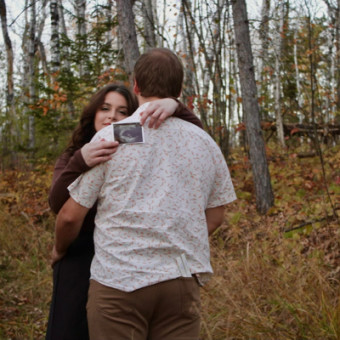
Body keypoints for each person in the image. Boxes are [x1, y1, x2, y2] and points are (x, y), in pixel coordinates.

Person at [53, 48, 236, 340]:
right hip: (180, 282)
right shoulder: (204, 142)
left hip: (120, 283)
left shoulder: (121, 134)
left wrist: (59, 250)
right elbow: (215, 214)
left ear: (135, 85)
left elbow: (69, 216)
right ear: (178, 90)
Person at [46, 83, 203, 340]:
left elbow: (192, 136)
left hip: (124, 255)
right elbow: (57, 205)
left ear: (131, 117)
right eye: (105, 109)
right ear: (93, 113)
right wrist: (80, 162)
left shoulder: (131, 142)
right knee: (69, 329)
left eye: (122, 111)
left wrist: (174, 106)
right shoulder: (75, 153)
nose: (111, 117)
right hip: (81, 251)